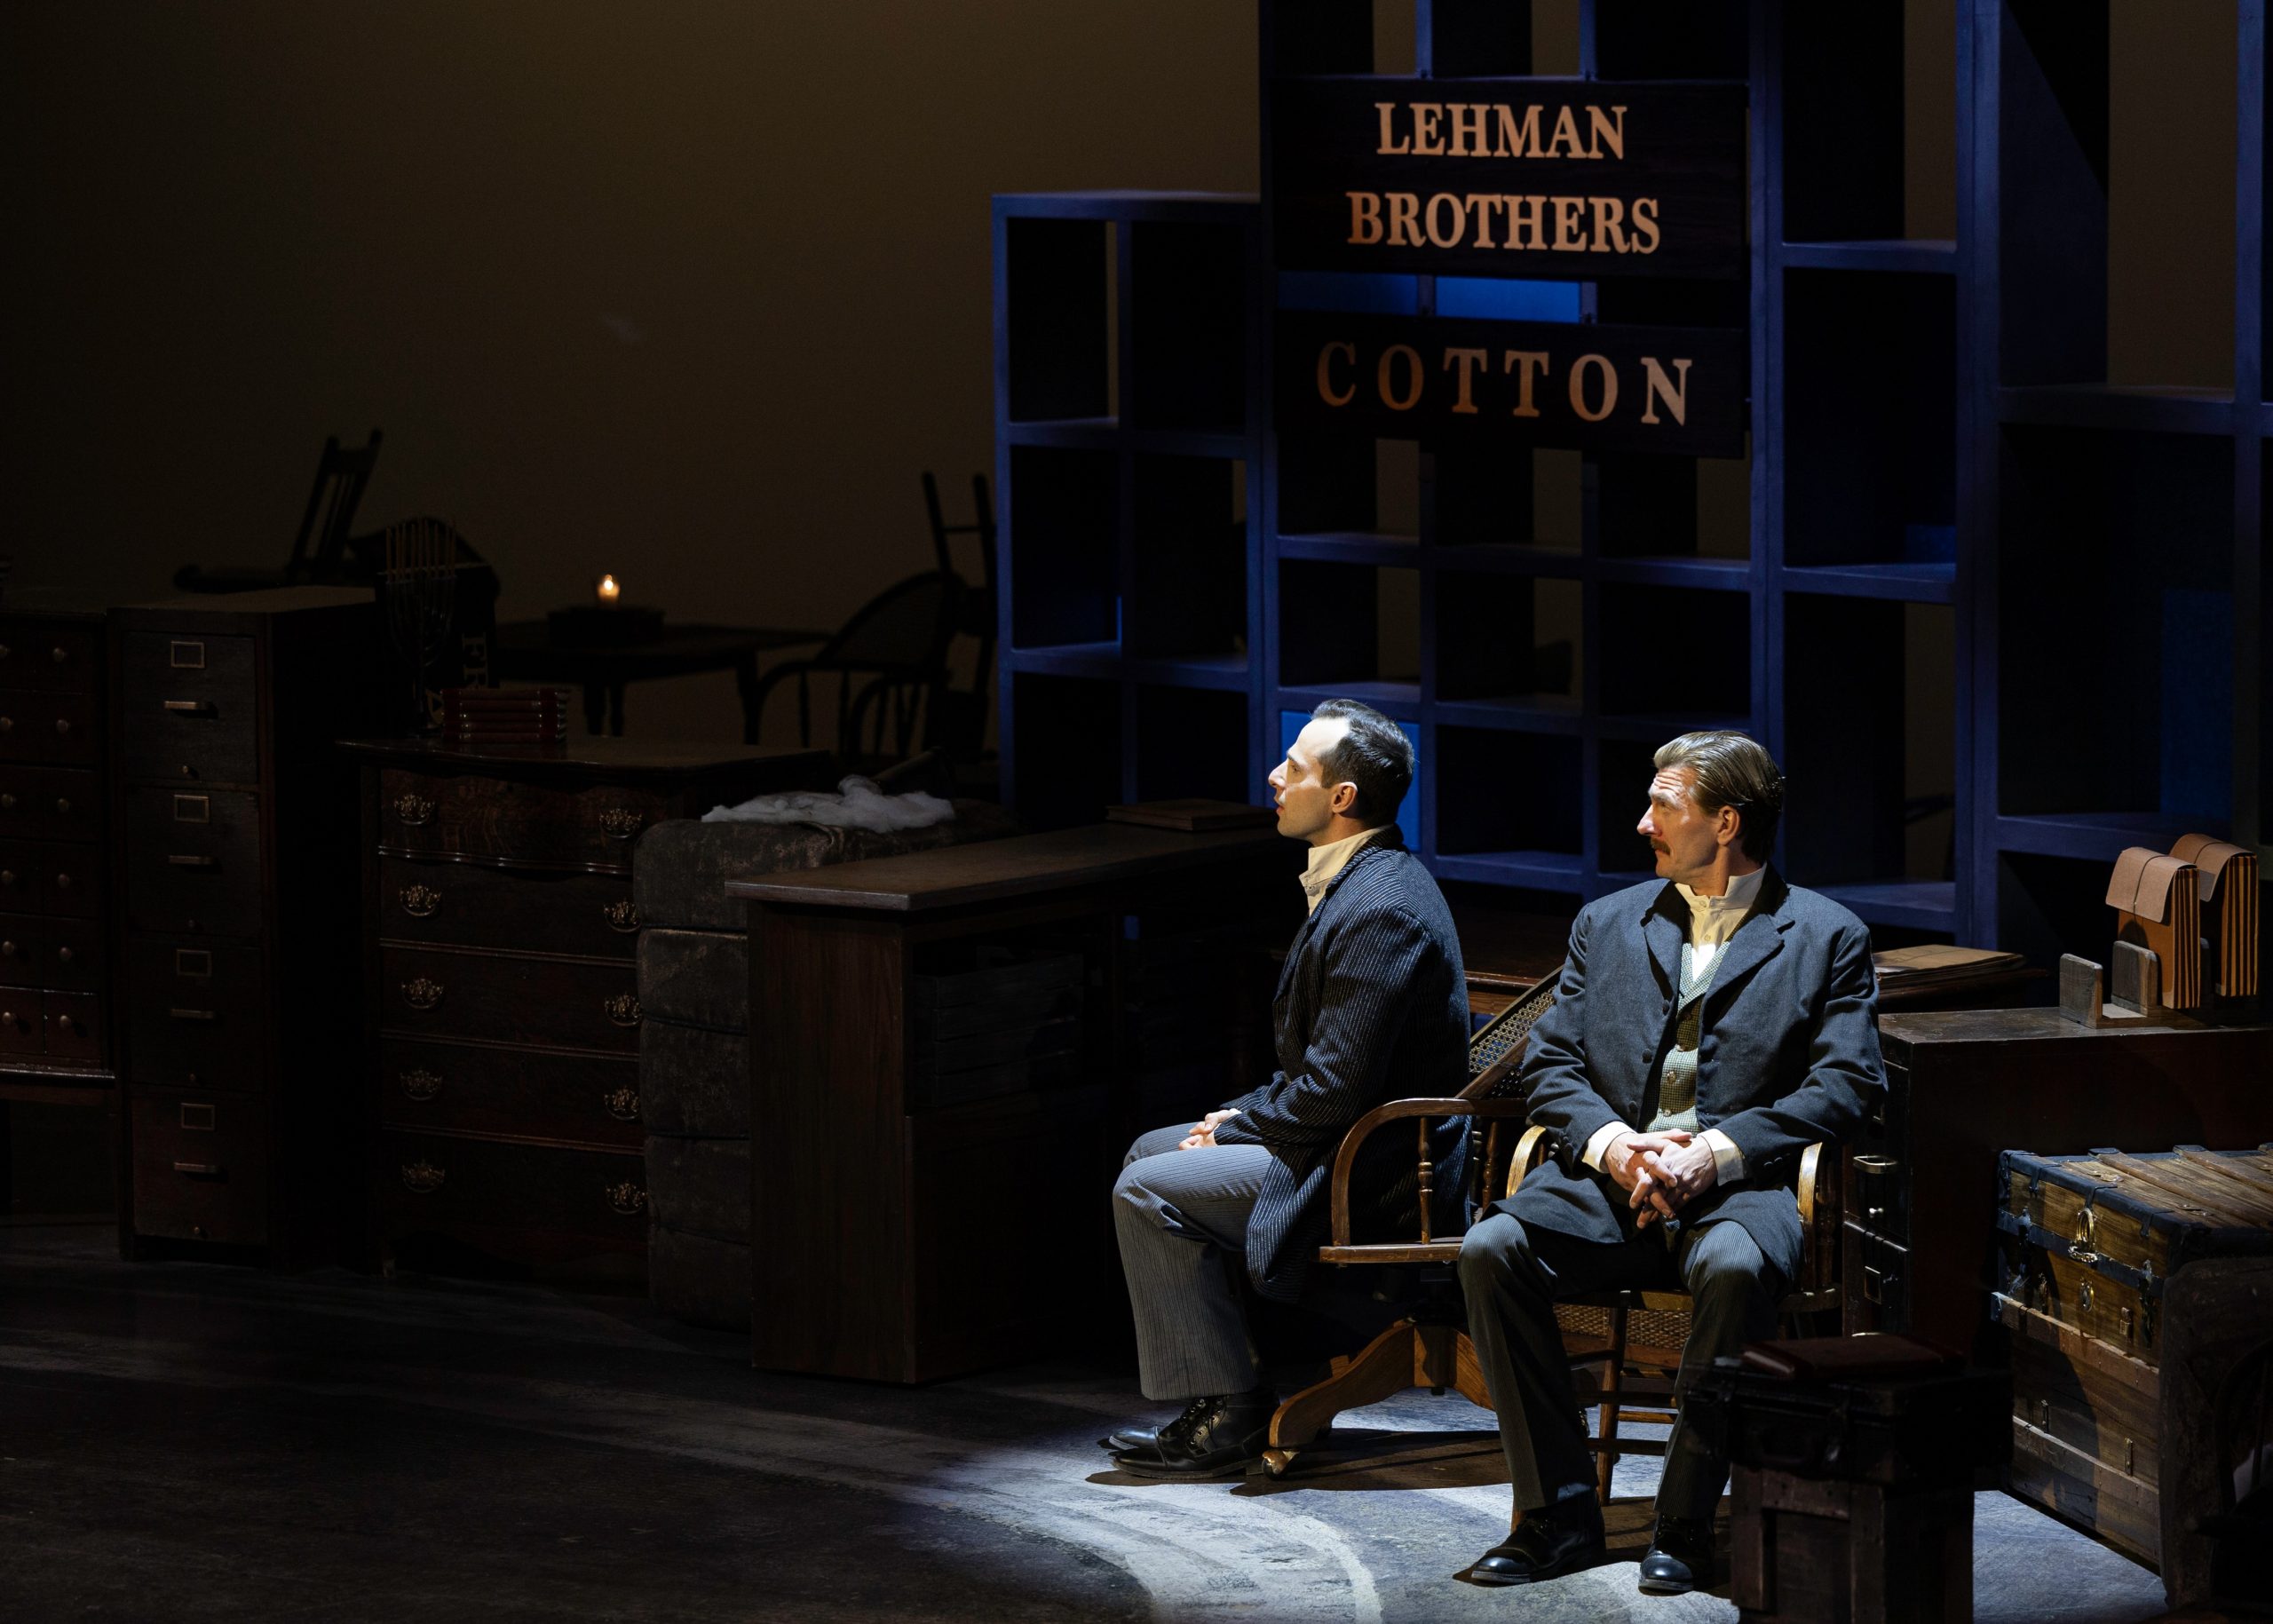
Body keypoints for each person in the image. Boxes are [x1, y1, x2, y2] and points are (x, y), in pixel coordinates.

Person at [1458, 731, 1884, 1593]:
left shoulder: (1826, 934)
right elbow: (1551, 1063)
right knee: (1490, 1248)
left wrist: (1716, 1154)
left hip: (1739, 1189)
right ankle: (1555, 1514)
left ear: (1725, 822)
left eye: (1663, 805)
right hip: (1605, 1185)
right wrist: (1617, 1146)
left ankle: (1683, 1522)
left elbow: (1848, 1082)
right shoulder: (1608, 922)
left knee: (1733, 1267)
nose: (1642, 822)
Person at [1104, 699, 1470, 1478]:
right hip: (1340, 1136)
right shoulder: (1357, 881)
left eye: (1295, 767)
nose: (1274, 777)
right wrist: (1239, 1113)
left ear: (1342, 797)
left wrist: (1237, 1129)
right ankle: (1225, 1391)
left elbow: (1334, 1090)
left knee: (1145, 1188)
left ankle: (1230, 1410)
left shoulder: (1382, 908)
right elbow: (1325, 1066)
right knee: (1147, 1150)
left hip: (1371, 1167)